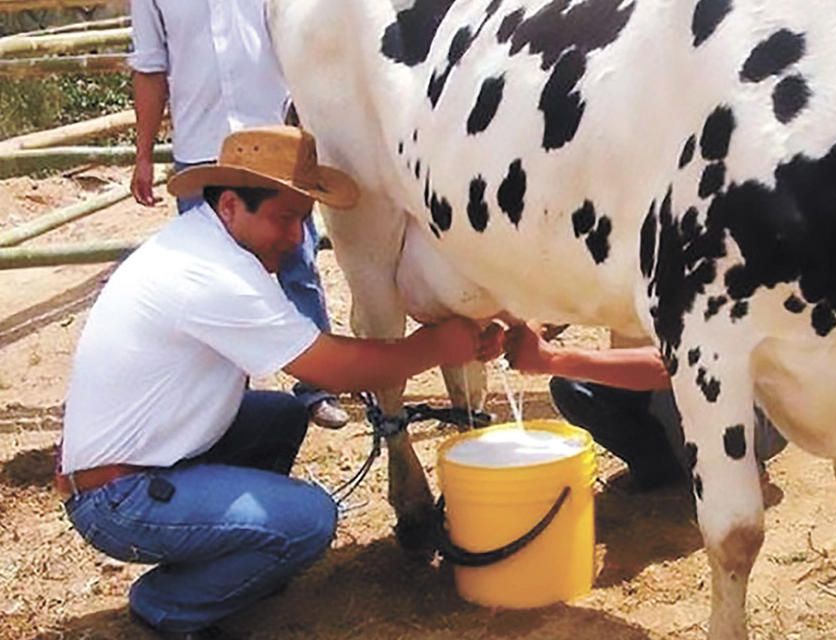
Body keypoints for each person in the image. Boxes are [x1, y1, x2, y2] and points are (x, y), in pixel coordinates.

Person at [59, 127, 503, 640]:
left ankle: (236, 555)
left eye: (303, 220)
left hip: (131, 462)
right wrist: (439, 346)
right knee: (312, 519)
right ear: (230, 205)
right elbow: (330, 368)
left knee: (280, 416)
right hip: (116, 498)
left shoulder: (202, 244)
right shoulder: (213, 275)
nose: (296, 238)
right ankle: (168, 605)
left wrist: (440, 341)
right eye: (284, 218)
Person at [127, 0, 350, 428]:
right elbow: (150, 67)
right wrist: (143, 154)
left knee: (297, 263)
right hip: (201, 148)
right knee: (210, 280)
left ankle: (317, 384)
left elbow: (305, 42)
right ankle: (226, 400)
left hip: (274, 143)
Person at [502, 324, 786, 491]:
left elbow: (670, 368)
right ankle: (659, 469)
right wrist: (512, 330)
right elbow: (566, 302)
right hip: (656, 385)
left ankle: (738, 468)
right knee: (571, 387)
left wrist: (550, 358)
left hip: (748, 408)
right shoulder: (622, 244)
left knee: (680, 393)